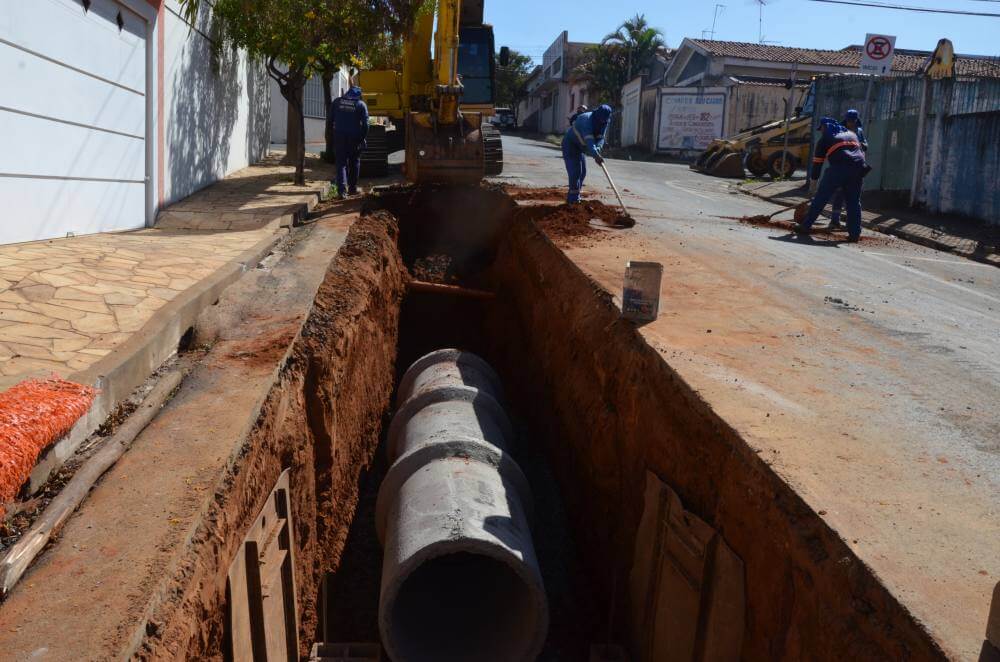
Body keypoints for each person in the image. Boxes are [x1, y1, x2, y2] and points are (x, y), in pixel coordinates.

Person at [798, 117, 869, 242]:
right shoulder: (852, 134)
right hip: (859, 168)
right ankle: (855, 234)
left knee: (822, 197)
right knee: (853, 201)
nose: (821, 131)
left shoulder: (824, 139)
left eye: (821, 129)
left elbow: (817, 164)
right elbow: (861, 152)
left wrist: (813, 187)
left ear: (825, 127)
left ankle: (805, 226)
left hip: (839, 168)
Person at [561, 104, 613, 204]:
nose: (603, 122)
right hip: (570, 145)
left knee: (582, 172)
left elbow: (600, 138)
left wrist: (598, 149)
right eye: (601, 120)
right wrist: (596, 155)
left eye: (605, 120)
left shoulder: (605, 121)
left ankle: (575, 196)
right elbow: (589, 142)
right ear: (597, 115)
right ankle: (573, 200)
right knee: (575, 172)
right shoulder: (586, 120)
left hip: (580, 147)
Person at [828, 109, 869, 230]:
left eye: (853, 121)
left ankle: (851, 224)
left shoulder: (859, 131)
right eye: (849, 121)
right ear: (846, 120)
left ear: (856, 120)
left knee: (853, 197)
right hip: (842, 166)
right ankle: (835, 220)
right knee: (839, 193)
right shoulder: (840, 130)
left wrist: (863, 145)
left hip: (856, 168)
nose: (851, 123)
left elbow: (865, 144)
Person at [330, 85, 369, 199]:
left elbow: (330, 120)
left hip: (339, 137)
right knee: (354, 162)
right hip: (354, 138)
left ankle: (341, 192)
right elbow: (366, 125)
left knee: (341, 163)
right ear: (359, 95)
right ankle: (352, 188)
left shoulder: (337, 102)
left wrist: (332, 136)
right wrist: (361, 138)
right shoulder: (361, 105)